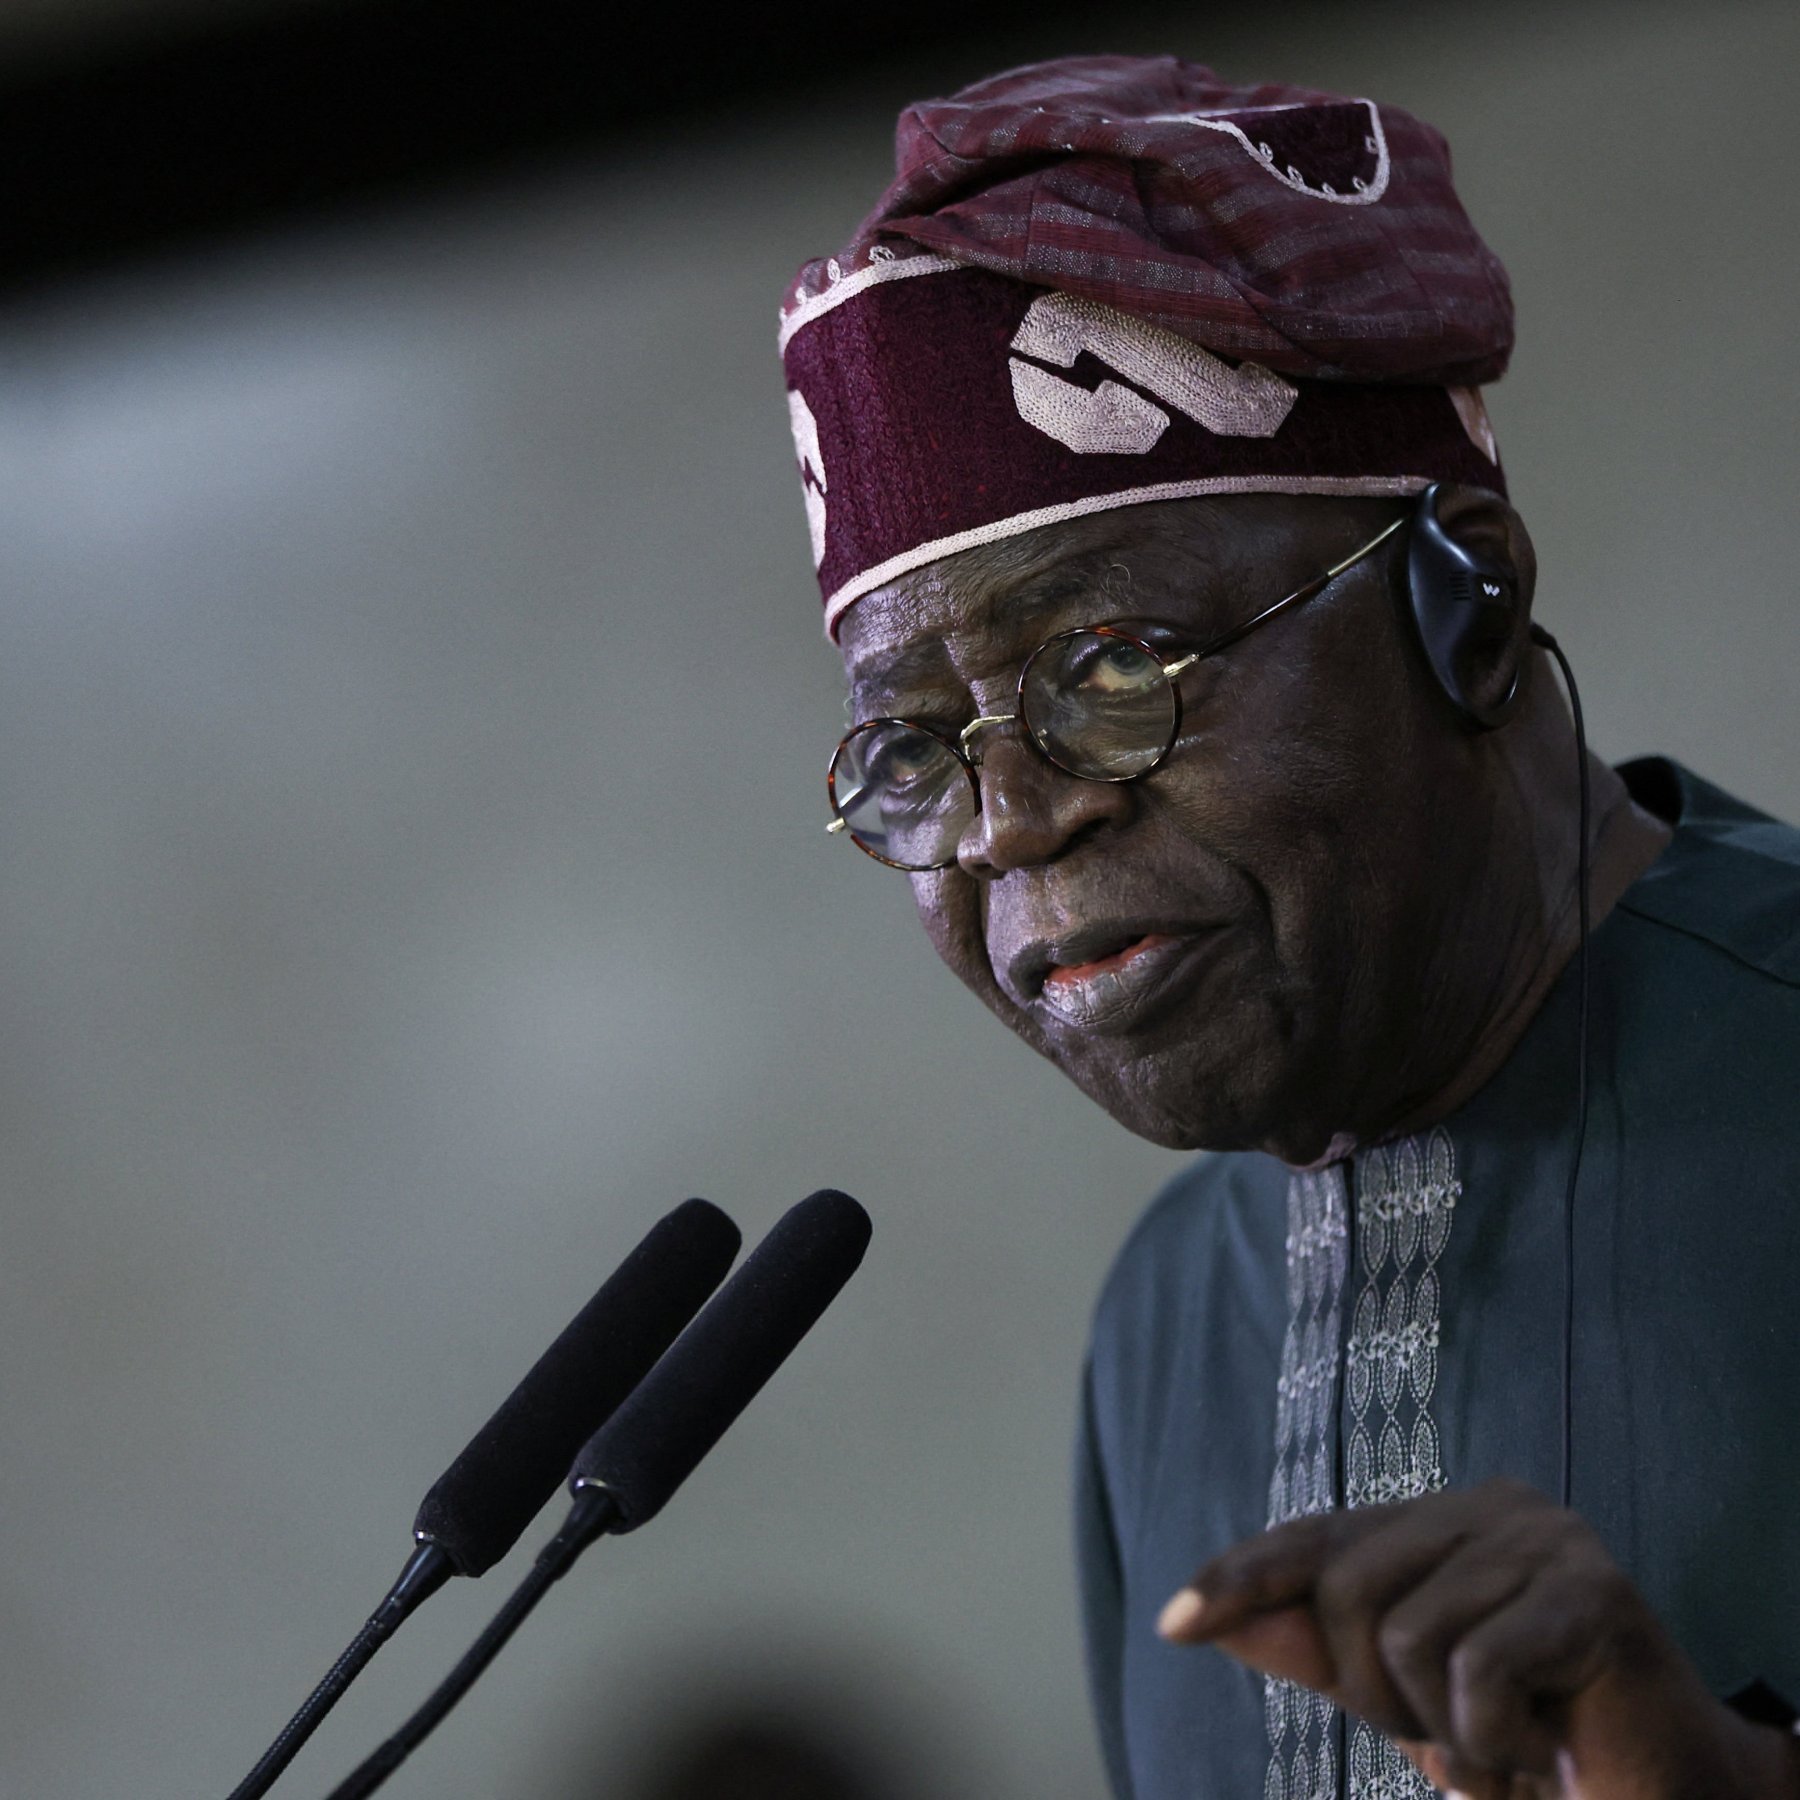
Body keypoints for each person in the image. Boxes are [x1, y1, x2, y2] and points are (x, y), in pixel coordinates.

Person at [778, 54, 1800, 1800]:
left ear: (1467, 607)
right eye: (914, 753)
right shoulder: (1160, 1319)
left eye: (1111, 670)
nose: (1010, 821)